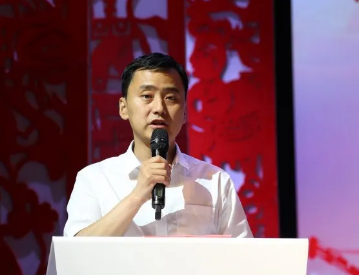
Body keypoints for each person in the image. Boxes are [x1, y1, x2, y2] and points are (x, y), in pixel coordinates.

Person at [64, 53, 253, 237]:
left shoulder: (215, 181)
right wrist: (137, 195)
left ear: (185, 112)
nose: (159, 108)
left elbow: (243, 254)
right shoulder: (94, 178)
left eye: (170, 98)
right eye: (147, 96)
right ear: (123, 107)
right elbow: (74, 251)